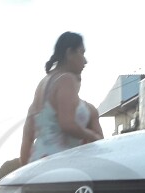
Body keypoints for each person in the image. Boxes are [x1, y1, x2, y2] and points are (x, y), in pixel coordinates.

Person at [19, 32, 104, 166]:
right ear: (70, 53)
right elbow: (67, 124)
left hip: (37, 166)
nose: (85, 60)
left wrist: (25, 173)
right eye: (82, 53)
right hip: (62, 167)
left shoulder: (42, 86)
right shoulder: (66, 79)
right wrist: (94, 136)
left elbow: (27, 139)